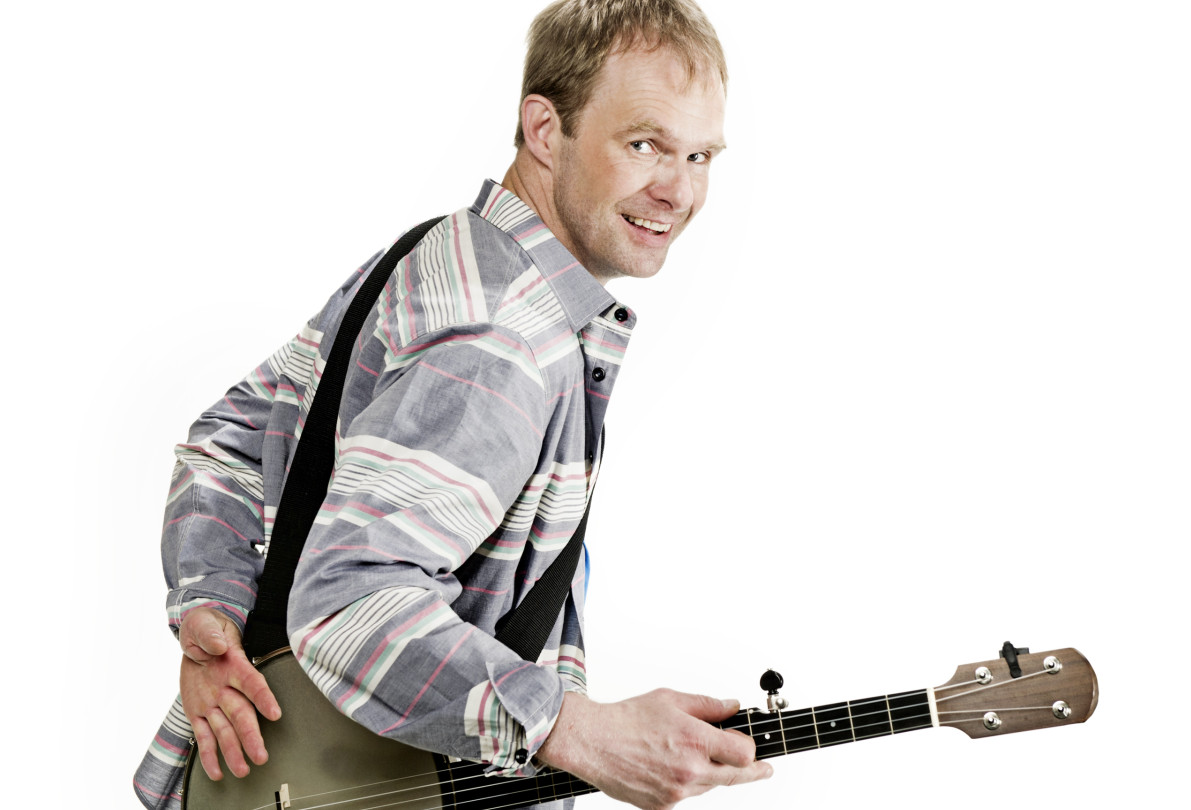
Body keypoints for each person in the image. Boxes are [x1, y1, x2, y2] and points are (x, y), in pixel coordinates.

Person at [132, 2, 772, 809]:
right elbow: (350, 600)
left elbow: (230, 440)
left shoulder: (439, 257)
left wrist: (211, 610)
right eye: (644, 144)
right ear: (545, 130)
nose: (677, 190)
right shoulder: (504, 337)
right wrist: (570, 729)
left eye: (700, 155)